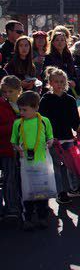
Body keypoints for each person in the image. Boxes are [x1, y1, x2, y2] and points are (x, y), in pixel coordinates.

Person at [39, 67, 80, 204]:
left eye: (62, 81)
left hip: (67, 136)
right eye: (56, 81)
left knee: (71, 165)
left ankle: (74, 188)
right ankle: (61, 192)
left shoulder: (70, 99)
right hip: (53, 138)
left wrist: (78, 128)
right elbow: (43, 120)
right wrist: (48, 136)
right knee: (57, 166)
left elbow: (74, 119)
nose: (59, 84)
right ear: (50, 82)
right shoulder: (46, 99)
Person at [11, 91, 54, 231]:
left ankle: (42, 217)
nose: (21, 112)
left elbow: (50, 136)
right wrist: (17, 147)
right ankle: (27, 219)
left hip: (41, 162)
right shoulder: (18, 123)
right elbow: (14, 141)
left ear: (36, 108)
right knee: (27, 193)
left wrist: (50, 141)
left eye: (25, 109)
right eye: (20, 109)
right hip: (25, 164)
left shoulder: (44, 120)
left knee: (42, 192)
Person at [0, 76, 21, 220]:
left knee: (16, 177)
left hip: (18, 149)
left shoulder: (21, 104)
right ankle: (10, 207)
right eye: (4, 92)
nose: (7, 94)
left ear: (18, 91)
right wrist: (15, 124)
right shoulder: (2, 105)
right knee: (8, 179)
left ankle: (17, 203)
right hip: (5, 148)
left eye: (10, 91)